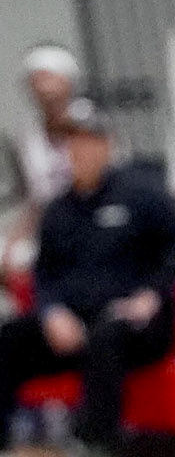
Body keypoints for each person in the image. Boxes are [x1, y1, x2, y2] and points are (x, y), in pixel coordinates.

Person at [0, 99, 175, 457]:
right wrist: (51, 312)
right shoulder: (58, 209)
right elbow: (45, 273)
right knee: (9, 337)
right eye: (72, 141)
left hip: (137, 324)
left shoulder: (142, 194)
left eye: (89, 140)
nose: (79, 150)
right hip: (75, 321)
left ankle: (99, 451)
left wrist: (152, 292)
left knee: (107, 335)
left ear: (107, 145)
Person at [1, 45, 80, 281]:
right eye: (35, 81)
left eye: (48, 78)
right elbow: (37, 199)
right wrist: (15, 238)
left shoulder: (90, 126)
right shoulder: (28, 136)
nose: (42, 88)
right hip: (47, 227)